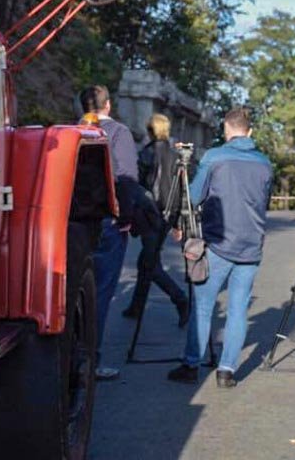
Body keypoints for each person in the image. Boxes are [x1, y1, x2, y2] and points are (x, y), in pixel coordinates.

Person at [167, 107, 273, 389]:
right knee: (239, 309)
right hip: (251, 245)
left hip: (218, 243)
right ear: (249, 132)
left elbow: (194, 196)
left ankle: (191, 364)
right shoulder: (264, 163)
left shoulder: (215, 157)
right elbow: (265, 201)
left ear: (226, 130)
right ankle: (226, 371)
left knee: (203, 307)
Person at [79, 84, 139, 382]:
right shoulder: (118, 133)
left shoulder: (71, 132)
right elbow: (127, 177)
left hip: (74, 223)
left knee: (74, 291)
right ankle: (91, 360)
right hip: (107, 221)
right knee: (100, 294)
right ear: (109, 106)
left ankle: (71, 354)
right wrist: (126, 217)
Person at [123, 113, 189, 325]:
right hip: (168, 214)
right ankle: (136, 306)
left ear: (151, 131)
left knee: (150, 264)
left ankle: (180, 299)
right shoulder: (176, 156)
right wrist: (178, 222)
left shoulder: (146, 153)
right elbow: (181, 190)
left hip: (150, 214)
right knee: (147, 260)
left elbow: (138, 188)